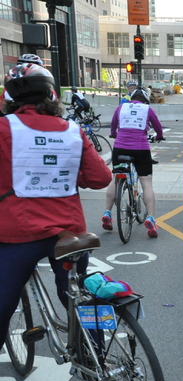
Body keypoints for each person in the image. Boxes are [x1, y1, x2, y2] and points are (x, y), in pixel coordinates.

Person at [0, 63, 112, 351]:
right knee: (77, 294)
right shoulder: (72, 131)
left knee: (3, 304)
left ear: (9, 98)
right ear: (52, 95)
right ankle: (96, 354)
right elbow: (100, 178)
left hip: (18, 236)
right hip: (69, 232)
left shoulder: (4, 128)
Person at [103, 87, 164, 238]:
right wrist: (159, 136)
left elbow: (113, 125)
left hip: (120, 148)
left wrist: (113, 134)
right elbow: (158, 127)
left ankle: (107, 213)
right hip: (141, 149)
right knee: (146, 183)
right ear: (144, 99)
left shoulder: (121, 107)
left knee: (115, 180)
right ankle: (150, 218)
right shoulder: (147, 109)